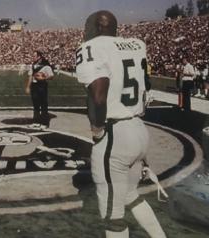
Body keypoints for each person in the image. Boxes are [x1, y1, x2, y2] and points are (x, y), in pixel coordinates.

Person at [76, 11, 166, 238]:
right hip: (138, 128)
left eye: (87, 26)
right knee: (130, 195)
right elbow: (145, 83)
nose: (84, 31)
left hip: (115, 134)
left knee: (113, 217)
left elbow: (98, 94)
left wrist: (97, 131)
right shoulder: (136, 44)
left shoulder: (92, 46)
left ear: (96, 26)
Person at [25, 51, 54, 128]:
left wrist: (44, 78)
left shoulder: (46, 65)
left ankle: (45, 123)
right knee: (36, 105)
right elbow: (30, 76)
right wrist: (28, 87)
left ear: (39, 57)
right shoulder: (33, 65)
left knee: (43, 104)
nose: (33, 57)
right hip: (34, 86)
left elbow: (51, 76)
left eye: (34, 56)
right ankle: (36, 122)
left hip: (42, 85)